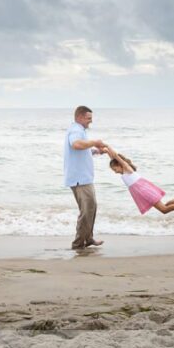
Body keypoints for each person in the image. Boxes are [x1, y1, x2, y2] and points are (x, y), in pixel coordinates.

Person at [63, 105, 114, 250]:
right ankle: (78, 244)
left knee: (91, 208)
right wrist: (95, 142)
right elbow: (76, 145)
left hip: (83, 178)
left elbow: (82, 149)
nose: (90, 121)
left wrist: (96, 151)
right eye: (88, 118)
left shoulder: (80, 130)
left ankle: (88, 238)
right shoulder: (75, 130)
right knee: (87, 211)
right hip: (80, 179)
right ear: (79, 117)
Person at [109, 153, 174, 215]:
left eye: (115, 169)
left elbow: (116, 156)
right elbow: (114, 158)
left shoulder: (127, 169)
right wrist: (106, 152)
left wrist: (107, 147)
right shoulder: (124, 172)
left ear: (120, 165)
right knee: (164, 206)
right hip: (143, 191)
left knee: (164, 210)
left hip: (144, 191)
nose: (115, 172)